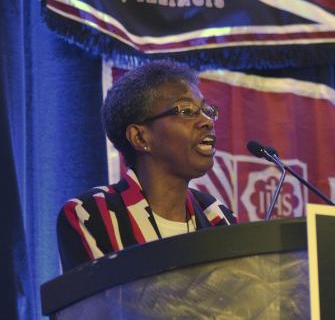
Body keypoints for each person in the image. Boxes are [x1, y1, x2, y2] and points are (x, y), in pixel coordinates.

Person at [57, 60, 236, 272]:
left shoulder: (216, 215)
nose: (207, 121)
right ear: (140, 137)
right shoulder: (92, 215)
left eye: (206, 110)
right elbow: (109, 304)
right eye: (187, 111)